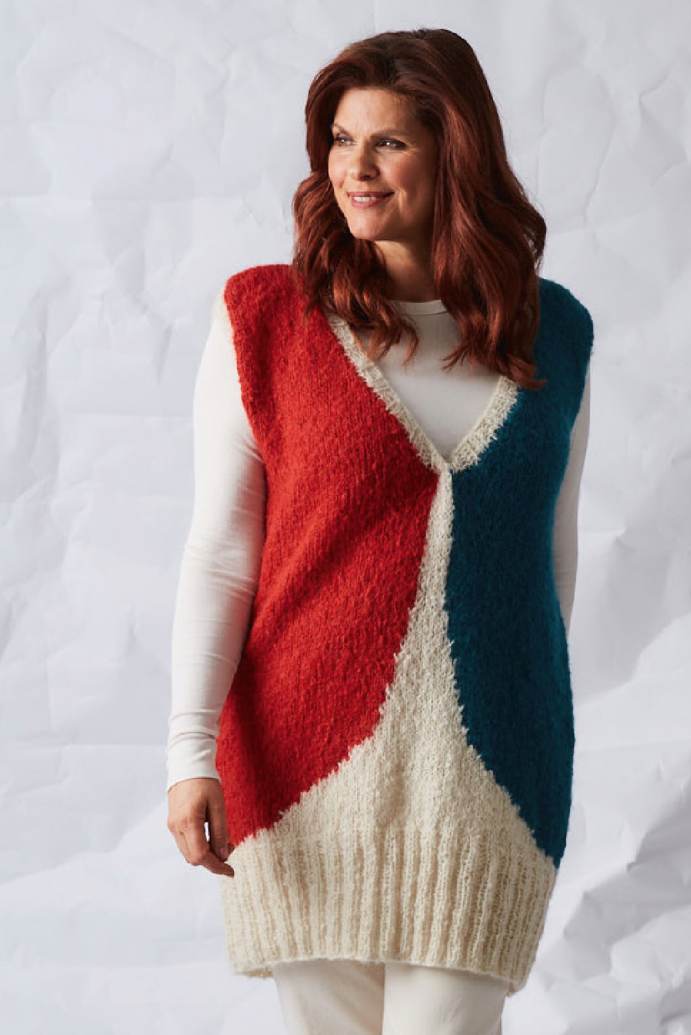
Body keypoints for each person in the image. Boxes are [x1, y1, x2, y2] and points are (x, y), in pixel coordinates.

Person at [166, 27, 593, 1035]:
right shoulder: (266, 319)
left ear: (456, 155)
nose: (354, 168)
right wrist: (190, 751)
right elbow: (221, 555)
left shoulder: (555, 332)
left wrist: (522, 711)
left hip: (491, 772)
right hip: (302, 766)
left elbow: (551, 555)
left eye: (389, 142)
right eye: (340, 140)